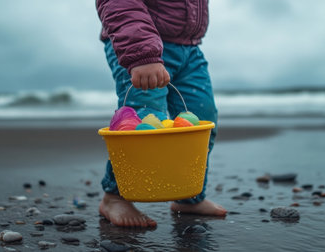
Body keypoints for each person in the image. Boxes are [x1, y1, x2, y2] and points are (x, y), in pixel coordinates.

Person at [96, 0, 227, 227]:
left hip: (190, 49)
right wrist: (141, 55)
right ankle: (114, 196)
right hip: (141, 45)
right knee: (143, 122)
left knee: (201, 119)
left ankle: (189, 198)